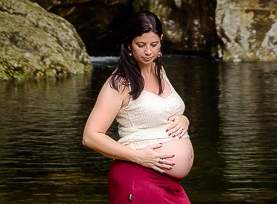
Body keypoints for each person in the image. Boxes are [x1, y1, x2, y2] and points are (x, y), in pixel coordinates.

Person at [83, 11, 194, 203]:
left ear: (161, 40)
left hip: (170, 184)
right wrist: (137, 157)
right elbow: (90, 136)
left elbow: (164, 111)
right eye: (141, 45)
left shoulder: (159, 70)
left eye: (154, 44)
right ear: (129, 43)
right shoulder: (120, 83)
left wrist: (184, 120)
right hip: (139, 176)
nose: (148, 51)